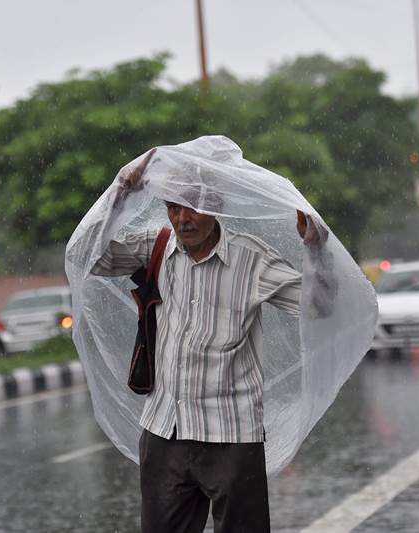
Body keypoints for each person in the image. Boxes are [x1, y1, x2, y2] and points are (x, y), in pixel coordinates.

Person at [89, 148, 326, 533]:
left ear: (216, 205)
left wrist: (316, 249)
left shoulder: (252, 260)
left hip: (231, 435)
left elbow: (319, 308)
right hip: (165, 432)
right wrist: (120, 195)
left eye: (194, 207)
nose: (183, 219)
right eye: (174, 207)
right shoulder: (156, 246)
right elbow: (91, 256)